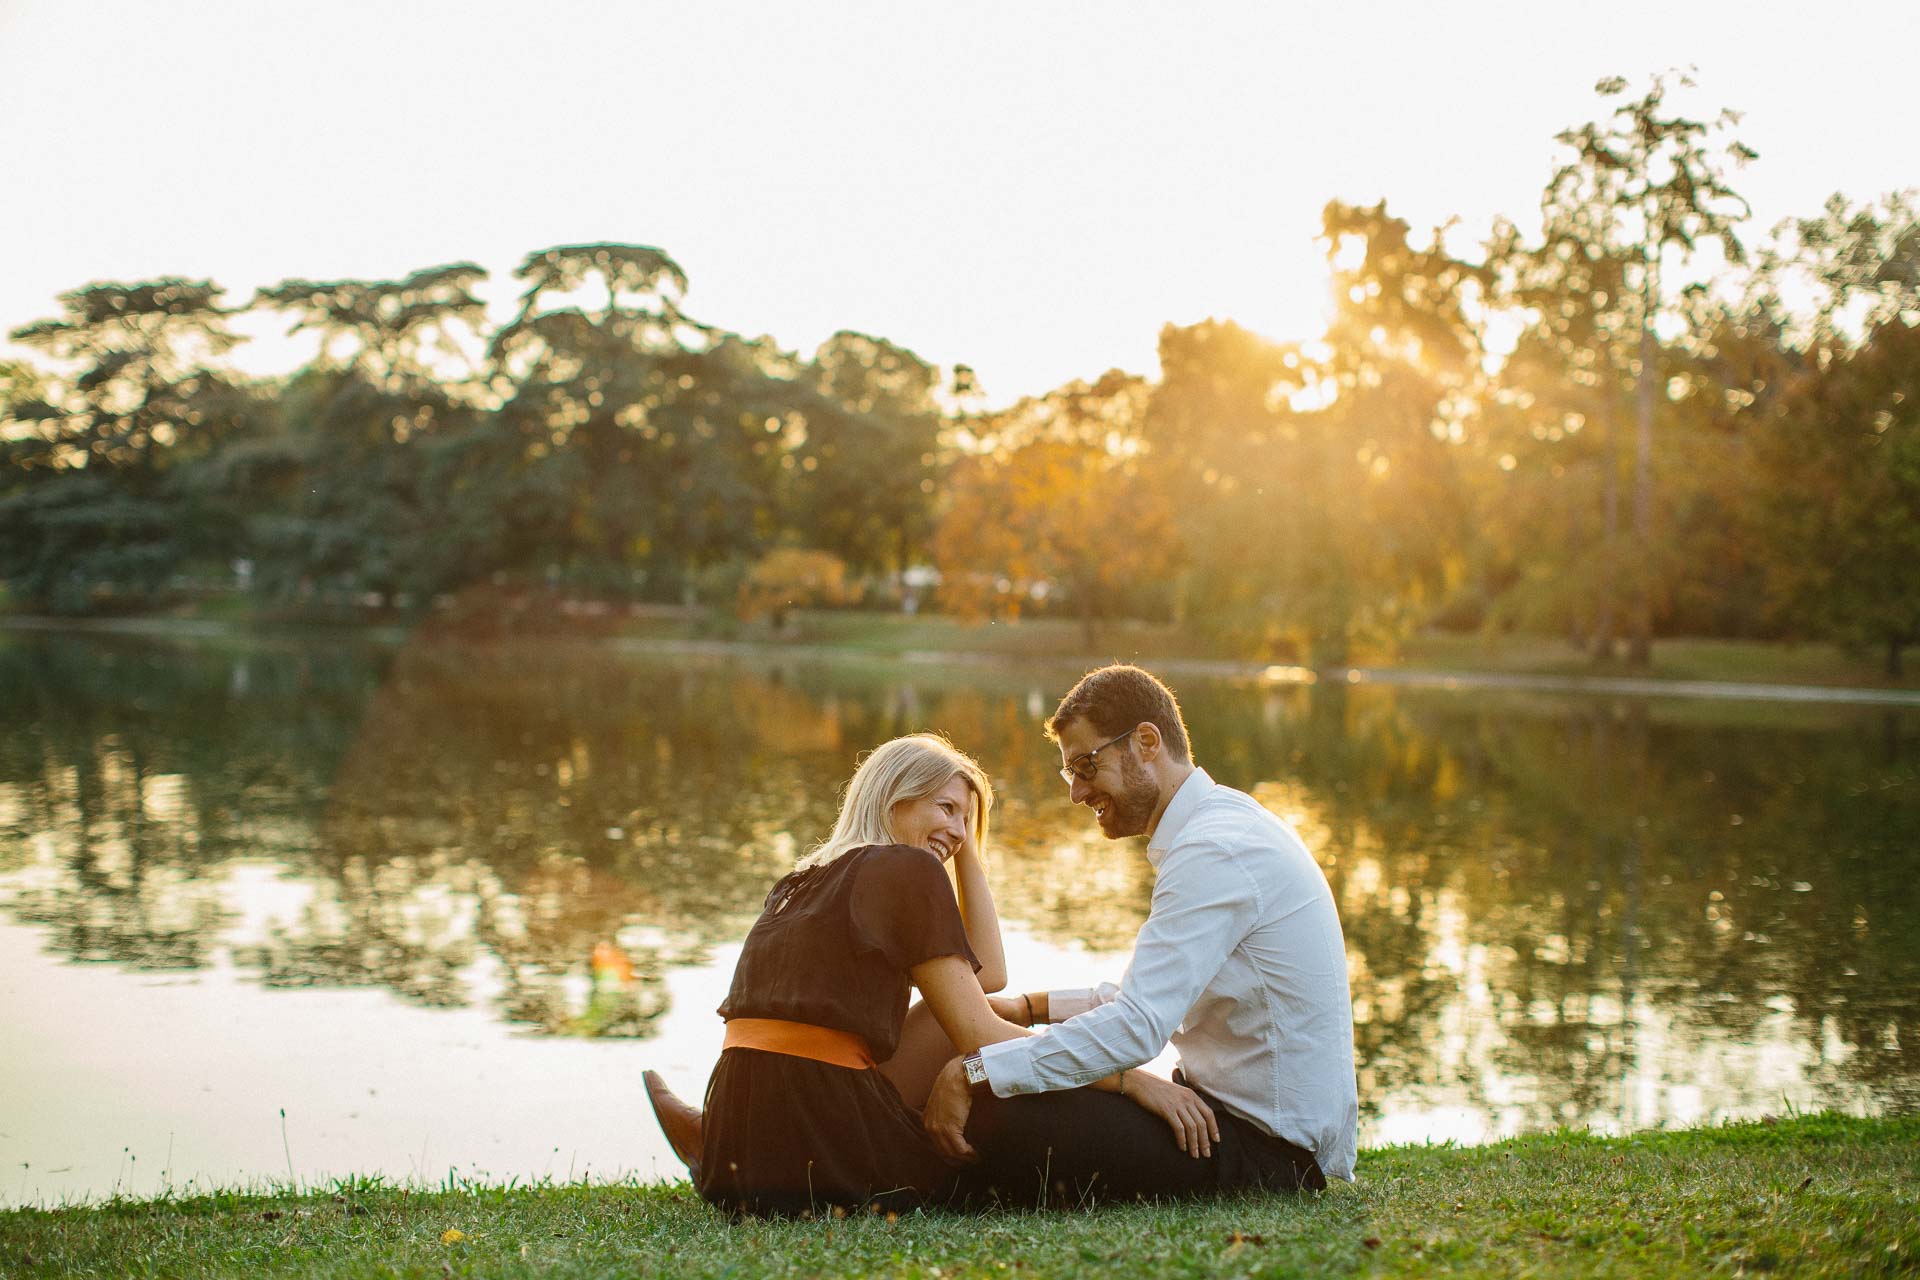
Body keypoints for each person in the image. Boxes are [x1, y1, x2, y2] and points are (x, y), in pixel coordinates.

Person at [641, 731, 1214, 1216]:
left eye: (967, 820)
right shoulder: (905, 870)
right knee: (984, 1074)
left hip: (752, 1102)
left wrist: (963, 841)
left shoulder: (805, 879)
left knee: (954, 1013)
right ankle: (753, 1143)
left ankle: (718, 1139)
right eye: (945, 809)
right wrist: (1128, 1078)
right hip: (822, 1130)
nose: (960, 831)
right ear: (893, 798)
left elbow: (986, 975)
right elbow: (982, 1040)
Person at [921, 664, 1359, 1202]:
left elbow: (1136, 1026)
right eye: (1070, 773)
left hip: (1264, 1152)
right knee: (1027, 1090)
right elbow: (1150, 994)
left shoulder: (1214, 850)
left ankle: (879, 1185)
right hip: (1230, 1122)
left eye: (1086, 765)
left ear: (1146, 742)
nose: (1077, 793)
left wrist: (979, 1068)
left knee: (997, 1110)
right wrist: (1027, 1009)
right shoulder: (1222, 827)